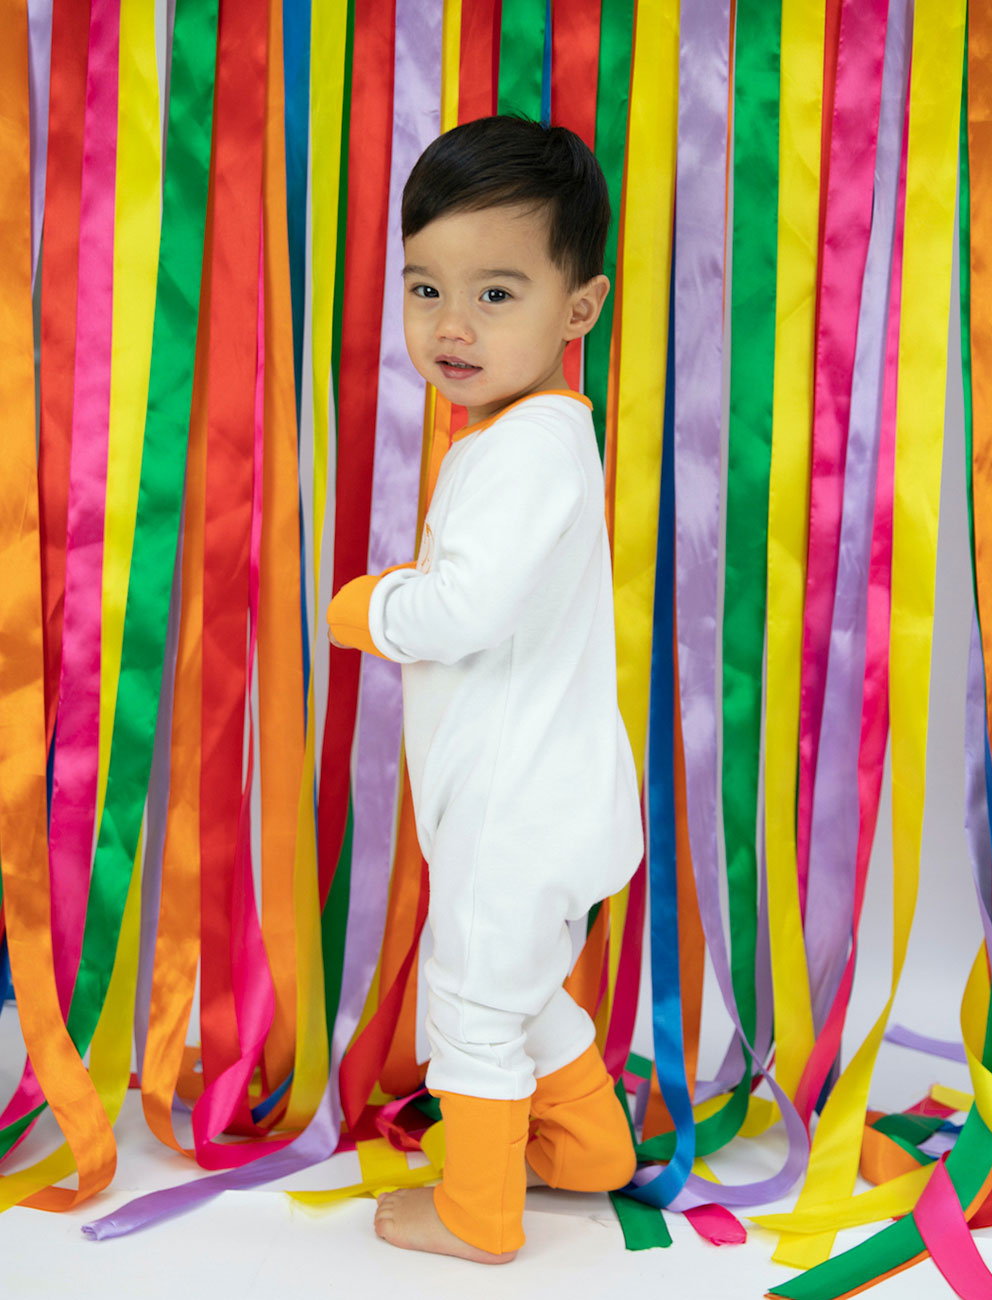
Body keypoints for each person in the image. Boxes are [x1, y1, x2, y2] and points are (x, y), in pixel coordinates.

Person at [327, 115, 643, 1264]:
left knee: (466, 991)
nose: (452, 325)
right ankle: (586, 1144)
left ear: (580, 309)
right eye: (425, 286)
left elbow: (461, 610)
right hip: (542, 790)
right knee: (515, 978)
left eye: (497, 293)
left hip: (518, 804)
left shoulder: (522, 453)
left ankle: (477, 1210)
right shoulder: (531, 436)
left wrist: (367, 605)